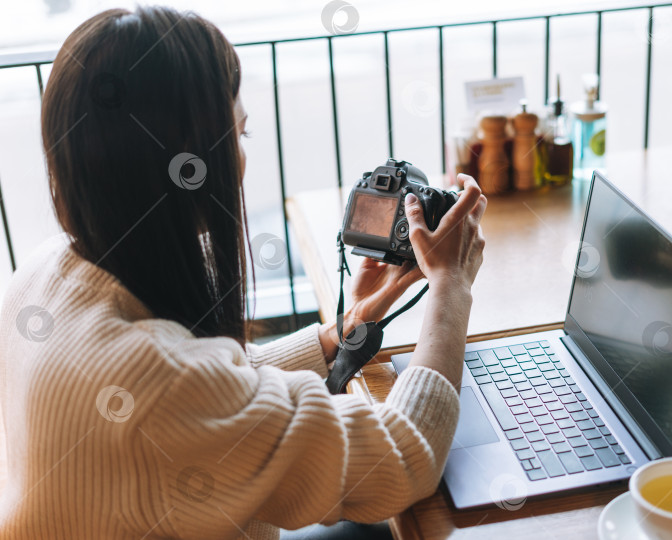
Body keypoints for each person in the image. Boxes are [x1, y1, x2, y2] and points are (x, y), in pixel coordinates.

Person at [0, 7, 486, 539]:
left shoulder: (47, 272)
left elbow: (212, 386)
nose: (241, 160)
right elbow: (403, 462)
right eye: (241, 134)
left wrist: (341, 331)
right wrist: (451, 290)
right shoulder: (157, 391)